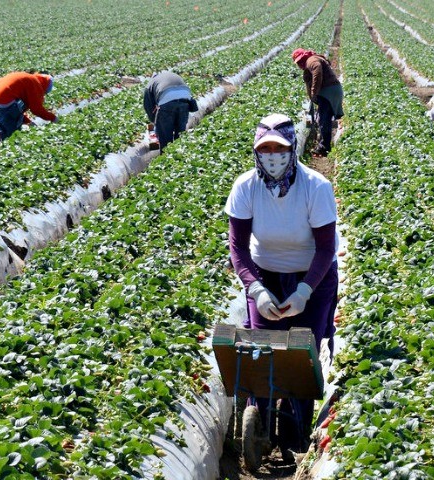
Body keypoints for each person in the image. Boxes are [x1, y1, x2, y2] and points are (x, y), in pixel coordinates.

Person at [225, 113, 338, 459]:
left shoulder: (315, 187)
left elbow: (325, 248)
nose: (273, 155)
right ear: (256, 152)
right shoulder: (245, 187)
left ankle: (296, 431)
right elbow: (238, 248)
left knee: (301, 353)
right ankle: (261, 421)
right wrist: (256, 291)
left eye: (280, 148)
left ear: (293, 149)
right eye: (266, 149)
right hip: (265, 275)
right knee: (262, 353)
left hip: (312, 278)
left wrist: (304, 291)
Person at [292, 48, 343, 156]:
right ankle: (323, 145)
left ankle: (324, 147)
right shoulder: (311, 61)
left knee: (324, 120)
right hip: (330, 91)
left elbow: (317, 71)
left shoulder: (311, 60)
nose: (300, 64)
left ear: (304, 57)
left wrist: (314, 91)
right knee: (323, 119)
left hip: (328, 92)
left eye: (300, 61)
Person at [143, 71, 198, 151]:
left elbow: (148, 106)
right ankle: (180, 156)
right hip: (185, 100)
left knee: (165, 137)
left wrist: (155, 122)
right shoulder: (171, 76)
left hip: (167, 101)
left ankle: (166, 157)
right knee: (180, 133)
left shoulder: (151, 84)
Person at [0, 72, 57, 141]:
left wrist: (28, 122)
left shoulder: (28, 78)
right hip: (3, 103)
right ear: (44, 87)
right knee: (12, 134)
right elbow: (37, 109)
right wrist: (54, 118)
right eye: (44, 93)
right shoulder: (35, 84)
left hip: (0, 103)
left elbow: (19, 110)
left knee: (4, 131)